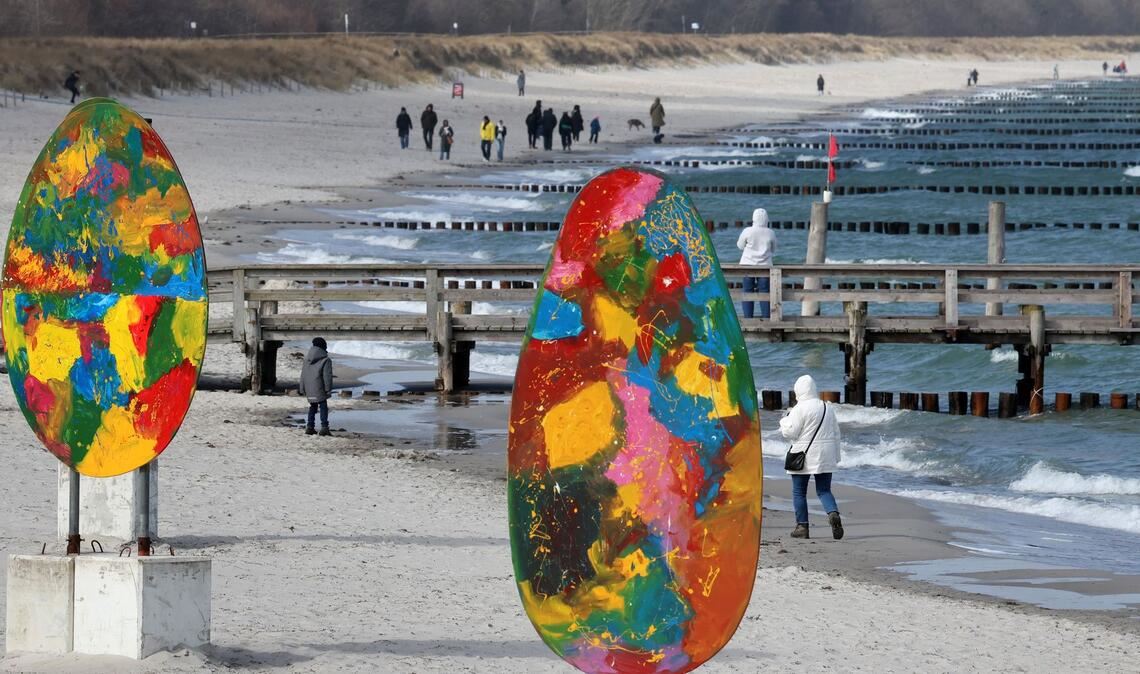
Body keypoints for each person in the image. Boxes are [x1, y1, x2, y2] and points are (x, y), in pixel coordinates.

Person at [779, 375, 843, 540]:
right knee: (824, 490)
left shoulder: (799, 408)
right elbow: (836, 433)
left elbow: (790, 433)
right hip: (826, 454)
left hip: (804, 455)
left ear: (798, 390)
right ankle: (833, 513)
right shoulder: (827, 407)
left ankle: (802, 527)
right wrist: (836, 456)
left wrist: (783, 422)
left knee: (799, 492)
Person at [736, 207, 776, 319]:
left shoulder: (747, 231)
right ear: (766, 219)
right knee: (764, 292)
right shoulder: (770, 233)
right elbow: (774, 249)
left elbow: (739, 246)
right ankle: (767, 318)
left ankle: (748, 318)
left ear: (753, 219)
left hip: (747, 264)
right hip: (765, 266)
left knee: (747, 291)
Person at [299, 337, 334, 436]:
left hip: (309, 387)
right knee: (323, 406)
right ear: (324, 347)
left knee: (312, 406)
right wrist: (328, 389)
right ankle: (324, 427)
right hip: (320, 387)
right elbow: (327, 376)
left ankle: (310, 427)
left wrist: (302, 388)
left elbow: (303, 374)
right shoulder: (326, 360)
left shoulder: (307, 359)